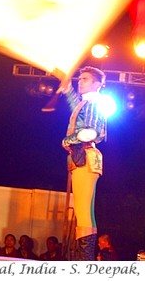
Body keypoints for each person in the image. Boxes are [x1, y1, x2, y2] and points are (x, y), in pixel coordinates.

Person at [60, 66, 107, 260]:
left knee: (83, 210)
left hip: (85, 155)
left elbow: (92, 131)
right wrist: (68, 89)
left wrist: (67, 141)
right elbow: (78, 113)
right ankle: (83, 260)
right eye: (80, 78)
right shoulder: (86, 103)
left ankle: (84, 262)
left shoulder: (94, 103)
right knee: (82, 211)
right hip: (81, 157)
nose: (81, 81)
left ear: (97, 84)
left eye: (85, 79)